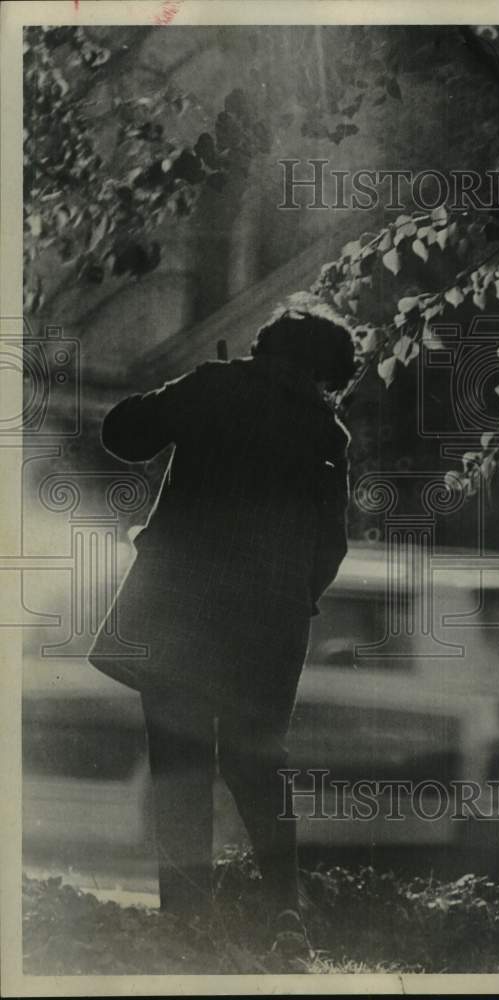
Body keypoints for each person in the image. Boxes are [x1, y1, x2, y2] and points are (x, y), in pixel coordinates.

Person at [88, 308, 355, 946]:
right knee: (258, 761)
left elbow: (122, 435)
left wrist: (186, 388)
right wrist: (291, 599)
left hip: (180, 609)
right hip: (271, 625)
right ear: (323, 372)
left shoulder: (211, 386)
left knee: (180, 760)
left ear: (264, 349)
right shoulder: (328, 435)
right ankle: (284, 910)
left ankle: (185, 917)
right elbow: (332, 548)